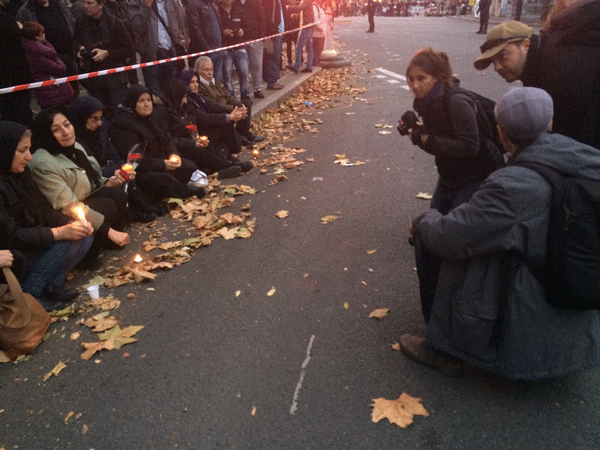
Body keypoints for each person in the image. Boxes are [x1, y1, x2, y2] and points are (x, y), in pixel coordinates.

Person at [401, 87, 600, 380]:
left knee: (433, 241)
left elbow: (450, 236)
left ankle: (444, 348)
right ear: (550, 124)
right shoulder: (584, 157)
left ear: (501, 132)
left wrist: (423, 219)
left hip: (530, 305)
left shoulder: (512, 186)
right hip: (577, 283)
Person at [402, 48, 503, 324]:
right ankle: (436, 320)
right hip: (449, 178)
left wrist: (427, 140)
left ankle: (453, 320)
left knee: (447, 245)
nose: (415, 85)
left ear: (438, 77)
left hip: (476, 178)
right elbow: (444, 148)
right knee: (426, 241)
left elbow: (471, 147)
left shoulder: (456, 102)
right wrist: (419, 136)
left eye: (421, 78)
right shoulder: (427, 103)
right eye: (410, 79)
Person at [0, 121, 94, 311]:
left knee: (84, 234)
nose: (29, 157)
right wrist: (58, 233)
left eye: (29, 149)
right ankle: (32, 295)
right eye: (22, 151)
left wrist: (72, 223)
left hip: (36, 236)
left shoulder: (21, 173)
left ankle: (51, 286)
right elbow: (12, 236)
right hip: (15, 250)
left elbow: (42, 208)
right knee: (64, 242)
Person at [474, 13, 600, 150]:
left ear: (526, 45)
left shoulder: (558, 73)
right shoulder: (541, 62)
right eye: (493, 62)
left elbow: (576, 142)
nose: (497, 67)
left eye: (502, 56)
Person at [28, 109, 130, 269]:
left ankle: (107, 242)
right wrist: (107, 229)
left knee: (117, 194)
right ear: (46, 133)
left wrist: (107, 181)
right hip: (62, 213)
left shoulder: (74, 146)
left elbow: (87, 177)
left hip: (82, 197)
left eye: (67, 125)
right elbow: (67, 204)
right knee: (106, 204)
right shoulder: (41, 163)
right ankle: (86, 258)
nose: (66, 132)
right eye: (56, 130)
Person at [66, 95, 158, 222]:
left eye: (100, 118)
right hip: (94, 183)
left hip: (111, 172)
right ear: (82, 118)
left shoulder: (101, 132)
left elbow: (115, 156)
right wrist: (111, 173)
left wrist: (122, 169)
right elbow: (86, 171)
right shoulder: (75, 142)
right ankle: (141, 211)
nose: (99, 123)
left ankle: (145, 209)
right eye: (94, 119)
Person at [110, 84, 206, 203]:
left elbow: (166, 138)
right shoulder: (124, 126)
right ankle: (184, 191)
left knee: (188, 166)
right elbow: (135, 159)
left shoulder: (150, 118)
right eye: (141, 101)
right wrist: (162, 164)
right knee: (162, 179)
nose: (147, 104)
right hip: (142, 171)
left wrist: (173, 154)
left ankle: (171, 191)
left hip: (161, 161)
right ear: (132, 102)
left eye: (149, 100)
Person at [161, 79, 249, 177]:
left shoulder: (183, 107)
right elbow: (172, 139)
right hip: (180, 149)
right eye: (183, 98)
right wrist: (193, 142)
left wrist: (232, 111)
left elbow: (213, 105)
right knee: (199, 151)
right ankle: (226, 166)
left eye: (196, 82)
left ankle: (224, 164)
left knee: (207, 143)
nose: (185, 101)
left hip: (191, 138)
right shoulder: (167, 113)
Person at [73, 0, 135, 117]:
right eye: (84, 2)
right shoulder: (80, 22)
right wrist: (79, 49)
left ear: (101, 5)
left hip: (114, 78)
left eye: (90, 3)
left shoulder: (114, 23)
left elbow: (129, 49)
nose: (85, 6)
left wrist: (107, 53)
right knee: (99, 115)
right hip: (92, 78)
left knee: (118, 114)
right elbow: (74, 41)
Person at [16, 0, 79, 100]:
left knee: (74, 93)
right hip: (46, 62)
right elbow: (25, 39)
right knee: (56, 98)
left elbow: (71, 23)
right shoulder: (26, 11)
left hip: (69, 56)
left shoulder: (59, 4)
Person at [194, 56, 264, 145]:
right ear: (198, 72)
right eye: (206, 70)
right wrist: (231, 108)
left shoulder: (215, 81)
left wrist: (237, 104)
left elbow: (227, 95)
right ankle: (238, 137)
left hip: (226, 106)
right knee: (234, 110)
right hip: (218, 110)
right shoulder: (200, 86)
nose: (210, 72)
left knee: (245, 104)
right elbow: (213, 104)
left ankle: (243, 133)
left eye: (211, 69)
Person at [179, 70, 245, 160]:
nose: (196, 85)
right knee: (226, 125)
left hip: (209, 126)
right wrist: (229, 117)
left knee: (243, 106)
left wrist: (235, 110)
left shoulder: (198, 96)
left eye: (197, 82)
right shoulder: (187, 101)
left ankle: (228, 155)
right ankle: (227, 156)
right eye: (192, 82)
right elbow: (204, 119)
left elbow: (214, 105)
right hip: (201, 132)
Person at [129, 0, 182, 97]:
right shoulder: (136, 3)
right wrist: (146, 6)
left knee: (172, 94)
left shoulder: (170, 2)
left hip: (170, 54)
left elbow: (178, 22)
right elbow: (137, 27)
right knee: (156, 97)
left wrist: (178, 40)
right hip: (152, 57)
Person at [20, 21, 74, 110]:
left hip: (52, 91)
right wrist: (58, 60)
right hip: (51, 94)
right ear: (36, 36)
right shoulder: (36, 55)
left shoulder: (36, 50)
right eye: (42, 33)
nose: (44, 35)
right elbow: (60, 69)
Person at [0, 0, 33, 126]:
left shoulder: (6, 11)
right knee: (18, 117)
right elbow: (12, 36)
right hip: (11, 77)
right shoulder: (3, 17)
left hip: (15, 77)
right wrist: (19, 28)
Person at [186, 0, 226, 84]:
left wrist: (222, 44)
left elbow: (219, 24)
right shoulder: (194, 4)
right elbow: (195, 29)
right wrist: (206, 48)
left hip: (218, 49)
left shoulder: (212, 4)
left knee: (217, 81)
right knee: (206, 81)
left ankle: (217, 96)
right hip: (207, 51)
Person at [218, 0, 251, 102]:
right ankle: (231, 98)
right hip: (226, 48)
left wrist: (243, 31)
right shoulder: (217, 11)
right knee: (227, 76)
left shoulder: (238, 10)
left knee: (244, 73)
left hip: (239, 47)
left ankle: (245, 96)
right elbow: (215, 28)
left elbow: (247, 26)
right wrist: (223, 32)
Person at [236, 0, 265, 99]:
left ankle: (257, 89)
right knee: (243, 68)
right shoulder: (234, 3)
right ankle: (245, 92)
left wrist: (262, 37)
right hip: (240, 39)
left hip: (255, 38)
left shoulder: (255, 2)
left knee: (256, 65)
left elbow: (261, 19)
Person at [262, 0, 285, 90]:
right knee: (273, 57)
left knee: (276, 57)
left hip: (278, 32)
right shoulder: (270, 1)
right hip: (275, 33)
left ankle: (274, 80)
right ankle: (272, 82)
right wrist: (273, 31)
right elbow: (269, 16)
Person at [286, 0, 314, 74]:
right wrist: (297, 15)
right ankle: (309, 66)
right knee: (309, 47)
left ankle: (296, 66)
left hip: (305, 26)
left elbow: (300, 8)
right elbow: (305, 10)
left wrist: (289, 7)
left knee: (299, 46)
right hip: (309, 25)